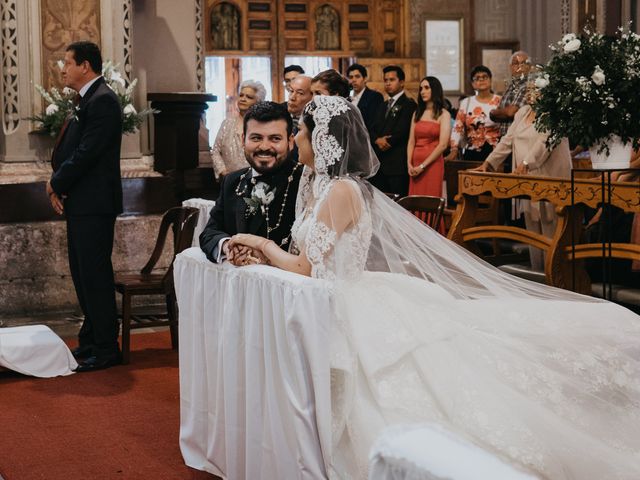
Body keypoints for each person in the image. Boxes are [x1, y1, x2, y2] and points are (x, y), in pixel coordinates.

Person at [227, 95, 640, 480]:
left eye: (300, 131)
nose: (296, 138)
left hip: (345, 301)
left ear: (322, 140)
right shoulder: (318, 183)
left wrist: (260, 245)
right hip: (342, 294)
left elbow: (304, 267)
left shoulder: (340, 191)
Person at [46, 41, 123, 372]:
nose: (63, 69)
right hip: (82, 202)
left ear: (86, 66)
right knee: (82, 274)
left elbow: (88, 152)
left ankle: (106, 348)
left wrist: (56, 183)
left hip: (94, 203)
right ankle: (91, 339)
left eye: (67, 63)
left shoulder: (103, 100)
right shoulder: (88, 98)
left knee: (94, 275)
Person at [475, 83, 572, 271]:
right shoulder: (523, 112)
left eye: (535, 88)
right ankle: (538, 273)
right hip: (526, 178)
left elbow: (544, 142)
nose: (530, 93)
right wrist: (489, 163)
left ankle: (555, 275)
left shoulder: (553, 113)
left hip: (549, 176)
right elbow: (508, 140)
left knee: (550, 226)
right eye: (528, 89)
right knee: (532, 227)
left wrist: (526, 163)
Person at [200, 101, 303, 264]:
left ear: (290, 142)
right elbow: (209, 232)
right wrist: (228, 246)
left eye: (275, 139)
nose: (264, 146)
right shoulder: (231, 181)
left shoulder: (304, 182)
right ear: (243, 139)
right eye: (256, 138)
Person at [370, 65, 417, 197]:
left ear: (401, 82)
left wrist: (388, 141)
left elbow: (403, 130)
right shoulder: (382, 105)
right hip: (380, 163)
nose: (388, 83)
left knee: (399, 204)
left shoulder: (409, 105)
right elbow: (372, 127)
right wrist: (377, 139)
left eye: (392, 79)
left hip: (397, 164)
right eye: (386, 80)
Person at [406, 76, 451, 204]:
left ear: (435, 90)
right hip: (415, 164)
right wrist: (409, 163)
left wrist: (422, 166)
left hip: (432, 164)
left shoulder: (444, 114)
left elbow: (442, 145)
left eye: (426, 88)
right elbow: (411, 141)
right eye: (421, 89)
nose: (422, 92)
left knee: (429, 201)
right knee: (415, 201)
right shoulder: (417, 113)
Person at [211, 80, 266, 179]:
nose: (243, 99)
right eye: (241, 95)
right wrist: (224, 172)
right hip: (228, 179)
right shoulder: (227, 124)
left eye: (249, 97)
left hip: (256, 180)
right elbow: (215, 151)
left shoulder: (262, 126)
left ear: (258, 101)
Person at [447, 66, 501, 162]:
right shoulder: (466, 102)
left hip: (496, 152)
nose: (481, 80)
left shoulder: (500, 101)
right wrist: (454, 149)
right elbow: (458, 127)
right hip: (472, 152)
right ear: (473, 84)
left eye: (485, 77)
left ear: (490, 80)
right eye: (477, 78)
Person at [346, 63, 384, 141]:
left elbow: (374, 123)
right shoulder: (346, 99)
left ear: (365, 78)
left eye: (357, 76)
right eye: (351, 77)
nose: (353, 80)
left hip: (367, 141)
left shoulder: (375, 96)